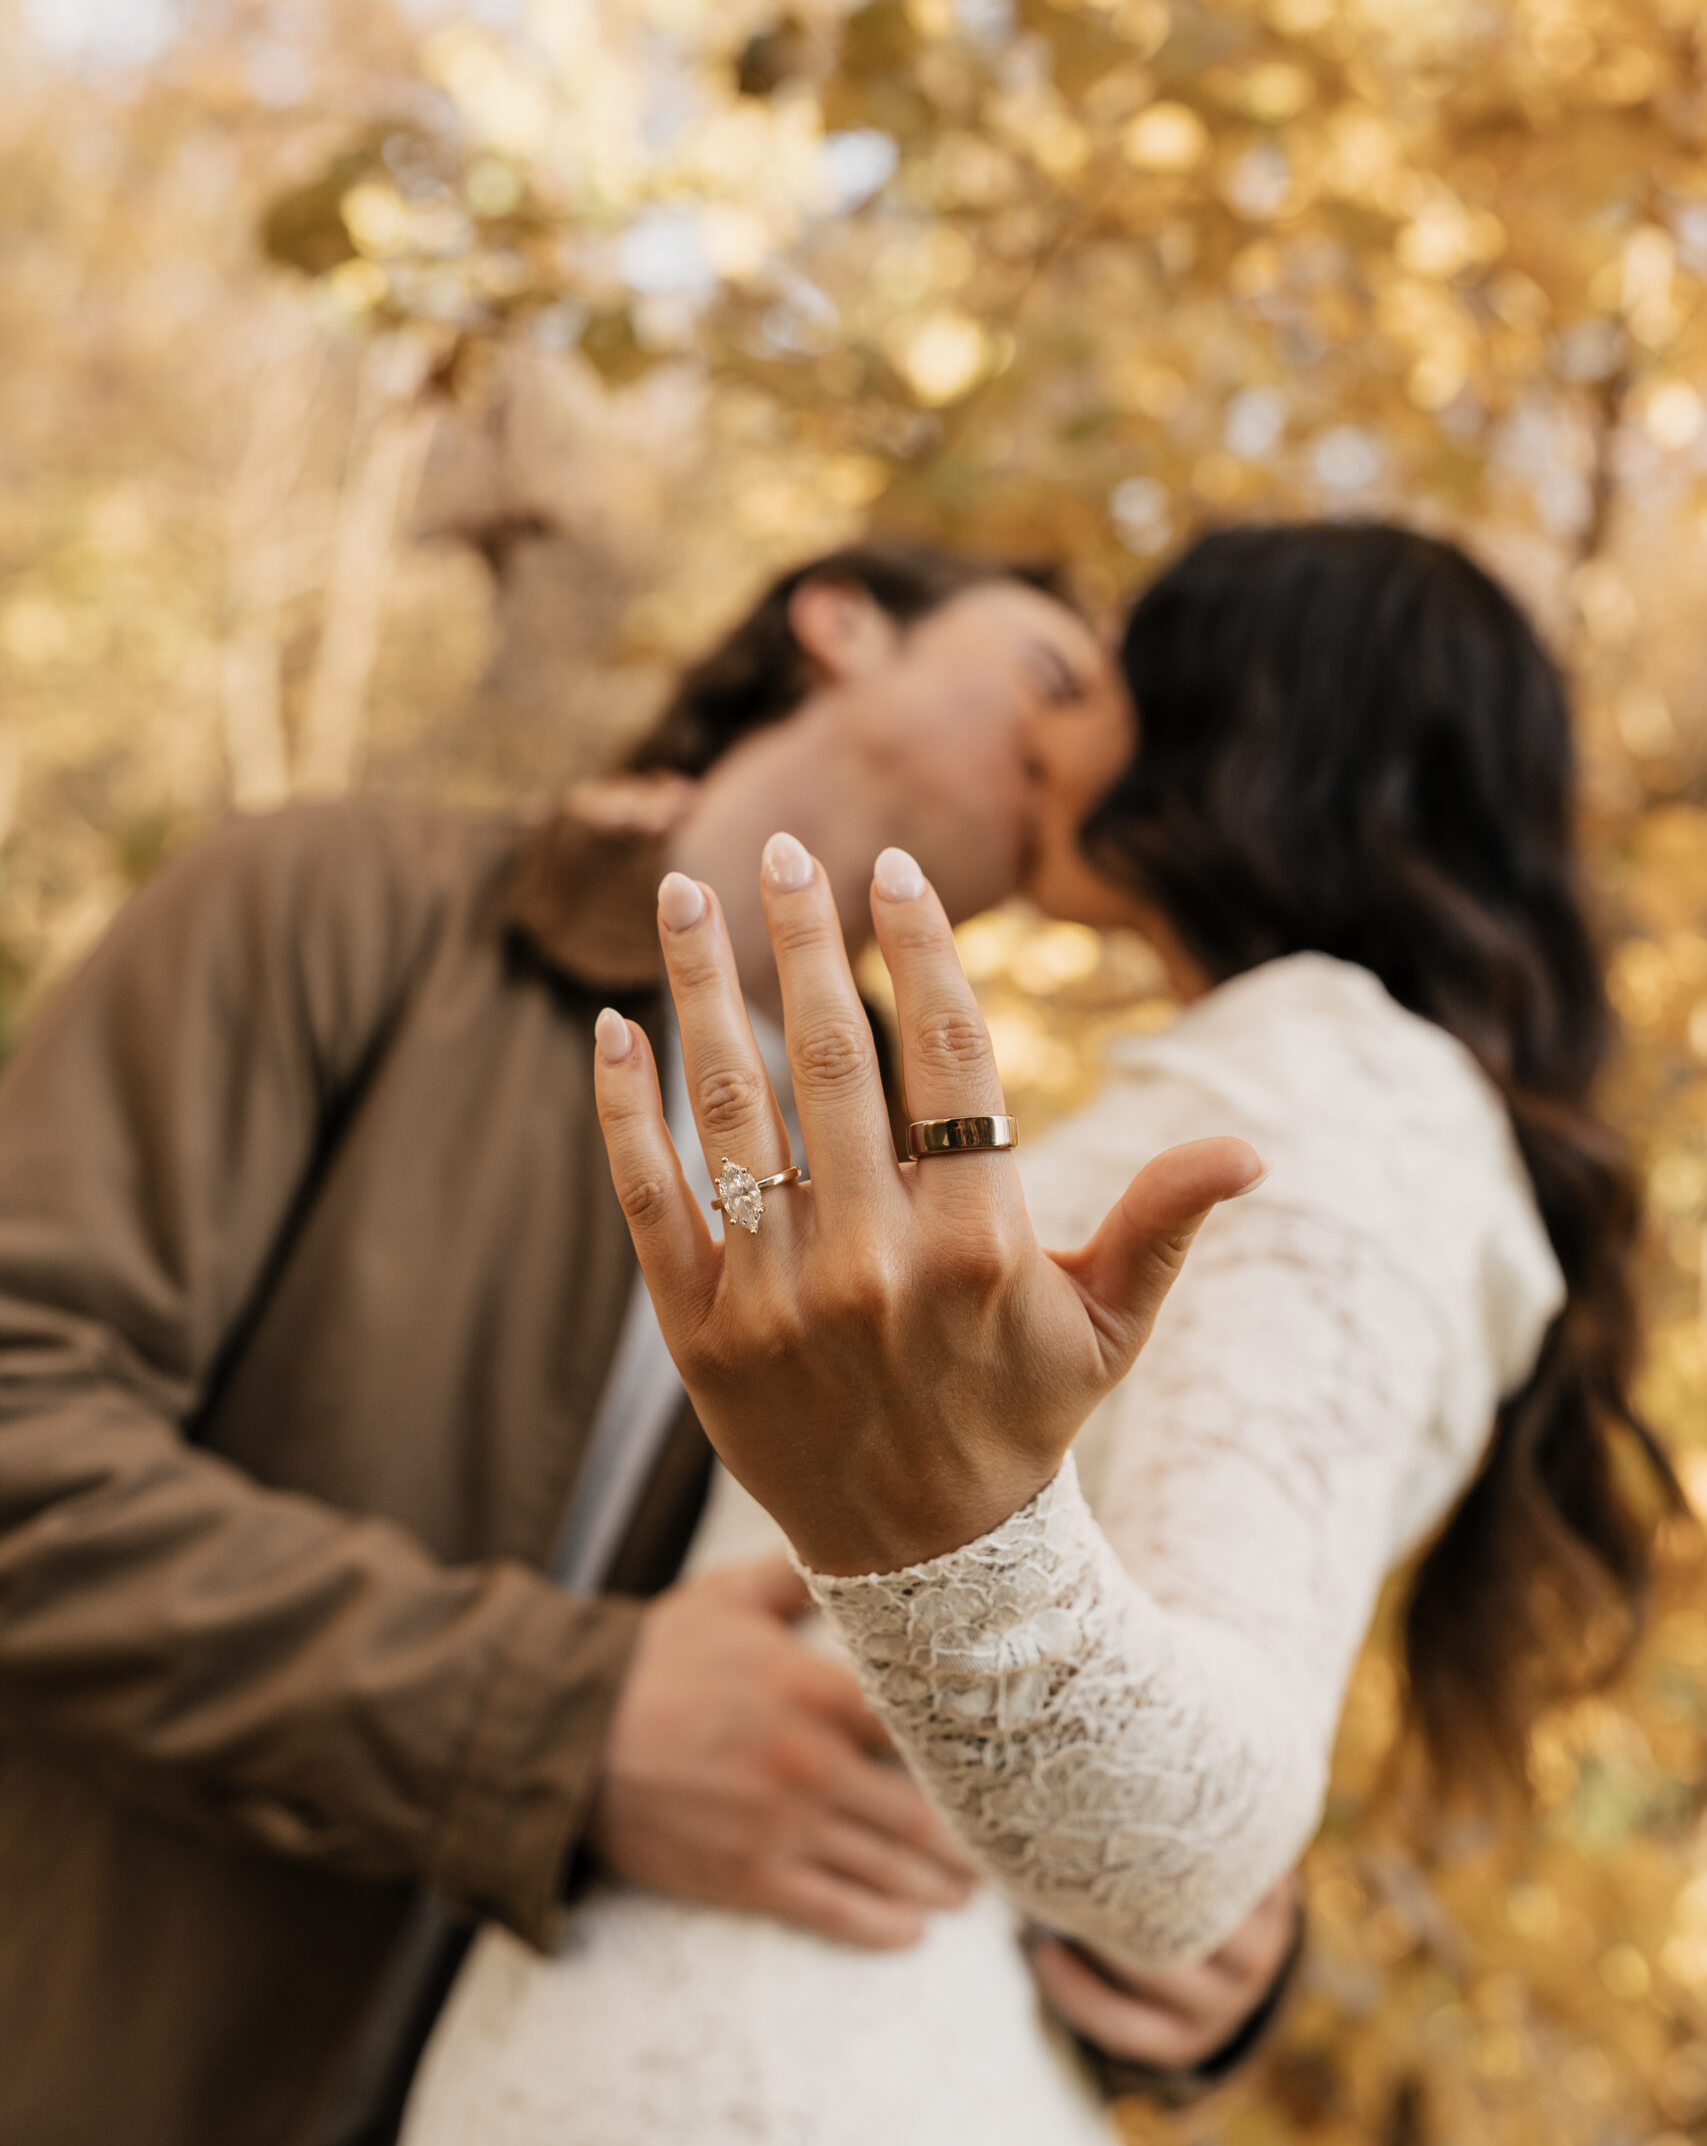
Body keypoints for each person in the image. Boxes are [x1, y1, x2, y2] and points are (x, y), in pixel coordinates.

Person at [0, 540, 1283, 2146]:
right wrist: (555, 1723)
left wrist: (1182, 1907)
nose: (1089, 749)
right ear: (840, 629)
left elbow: (899, 1702)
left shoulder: (936, 1213)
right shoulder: (331, 901)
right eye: (1049, 672)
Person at [405, 520, 1670, 2146]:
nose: (1056, 736)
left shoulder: (1334, 1094)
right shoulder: (1221, 1077)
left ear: (1251, 722)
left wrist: (955, 1538)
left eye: (1107, 681)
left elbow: (1189, 1842)